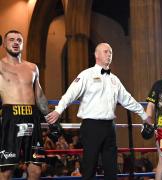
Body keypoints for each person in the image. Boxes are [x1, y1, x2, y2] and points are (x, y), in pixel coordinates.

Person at [46, 42, 150, 180]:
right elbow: (70, 94)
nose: (109, 54)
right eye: (106, 51)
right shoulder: (86, 75)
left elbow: (128, 99)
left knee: (111, 169)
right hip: (91, 126)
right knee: (89, 168)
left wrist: (144, 115)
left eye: (110, 52)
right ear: (97, 55)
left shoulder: (114, 79)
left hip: (110, 127)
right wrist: (58, 110)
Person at [0, 30, 49, 180]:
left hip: (32, 117)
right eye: (11, 39)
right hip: (10, 118)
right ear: (4, 43)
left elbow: (39, 95)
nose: (16, 42)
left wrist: (50, 117)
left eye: (19, 40)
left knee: (35, 170)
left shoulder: (32, 67)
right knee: (6, 171)